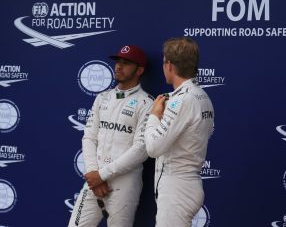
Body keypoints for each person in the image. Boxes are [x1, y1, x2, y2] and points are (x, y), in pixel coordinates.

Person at [68, 45, 154, 227]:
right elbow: (89, 137)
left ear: (140, 70)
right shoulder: (102, 98)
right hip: (94, 180)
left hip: (125, 183)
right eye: (118, 62)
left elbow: (141, 149)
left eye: (126, 63)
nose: (119, 67)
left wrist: (103, 174)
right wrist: (94, 173)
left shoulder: (147, 103)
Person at [144, 37, 214, 227]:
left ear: (169, 65)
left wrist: (154, 116)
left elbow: (152, 148)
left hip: (177, 189)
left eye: (163, 61)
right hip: (187, 184)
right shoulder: (202, 95)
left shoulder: (181, 100)